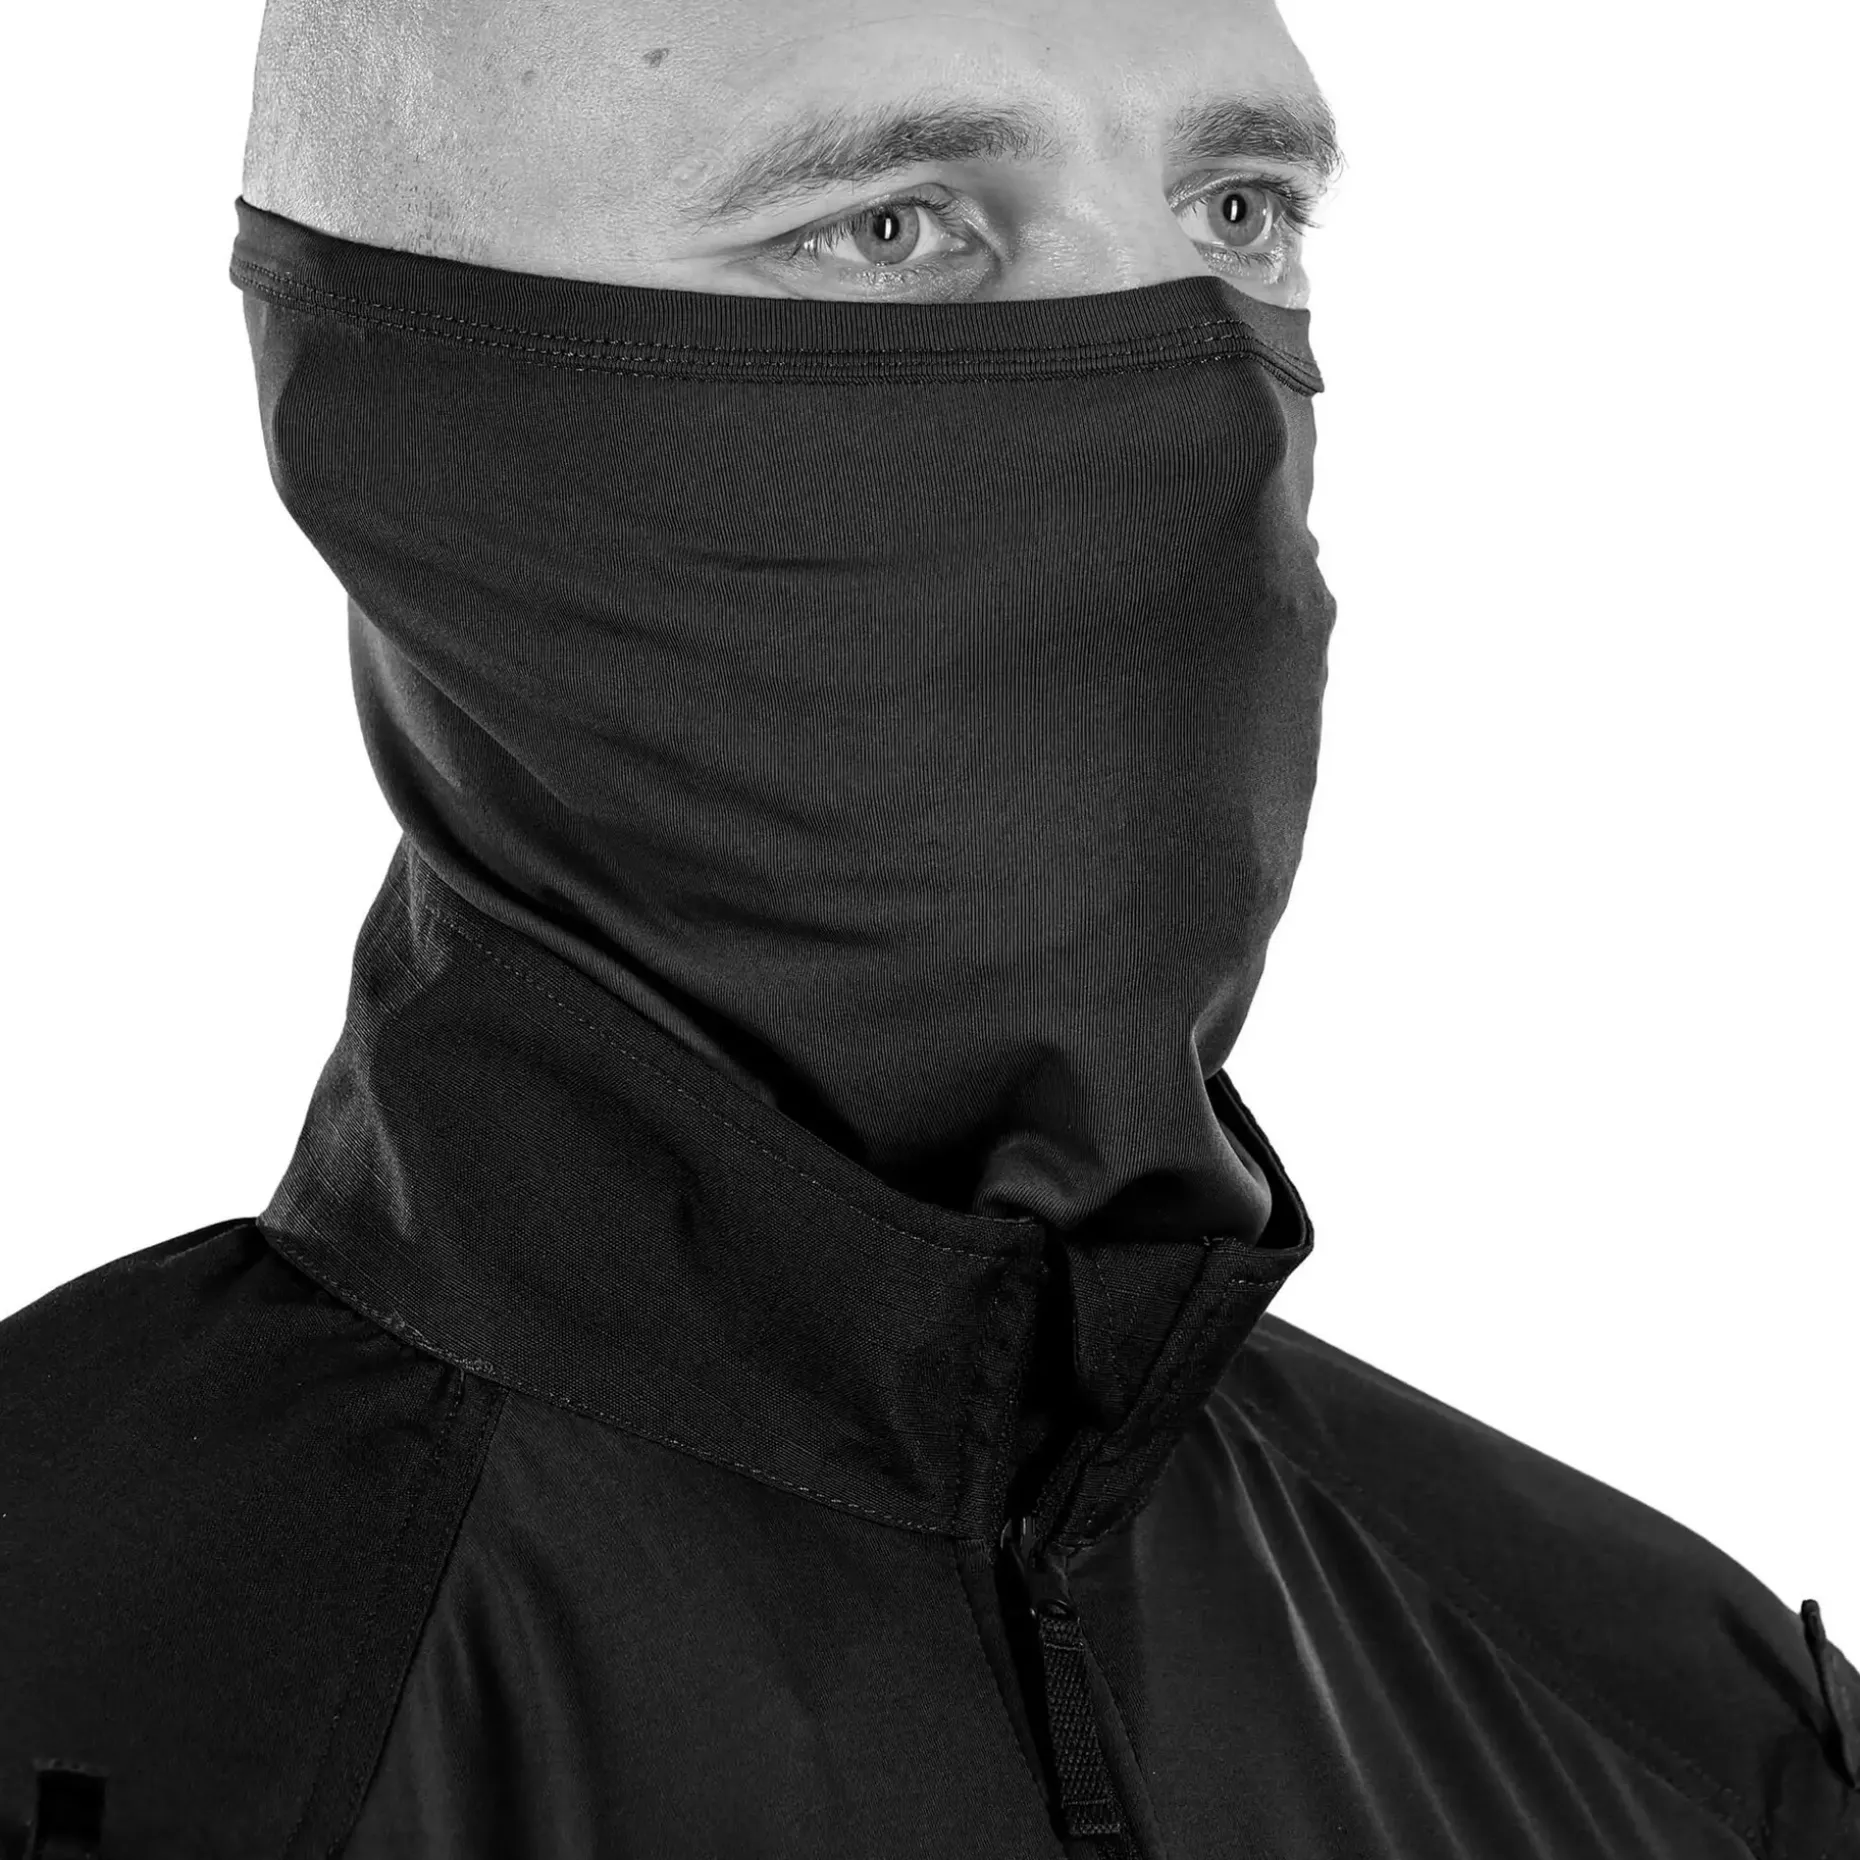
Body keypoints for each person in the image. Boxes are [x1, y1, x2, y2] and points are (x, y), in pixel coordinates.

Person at [2, 0, 1855, 1853]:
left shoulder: (1700, 1752)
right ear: (402, 415)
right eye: (892, 228)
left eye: (1238, 211)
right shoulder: (75, 1700)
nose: (1201, 421)